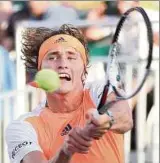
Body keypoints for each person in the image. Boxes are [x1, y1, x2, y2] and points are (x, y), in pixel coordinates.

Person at [6, 24, 133, 163]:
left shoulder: (100, 91)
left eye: (71, 57)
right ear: (40, 71)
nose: (63, 64)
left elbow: (125, 117)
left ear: (84, 70)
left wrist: (107, 120)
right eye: (52, 57)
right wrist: (66, 151)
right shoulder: (23, 126)